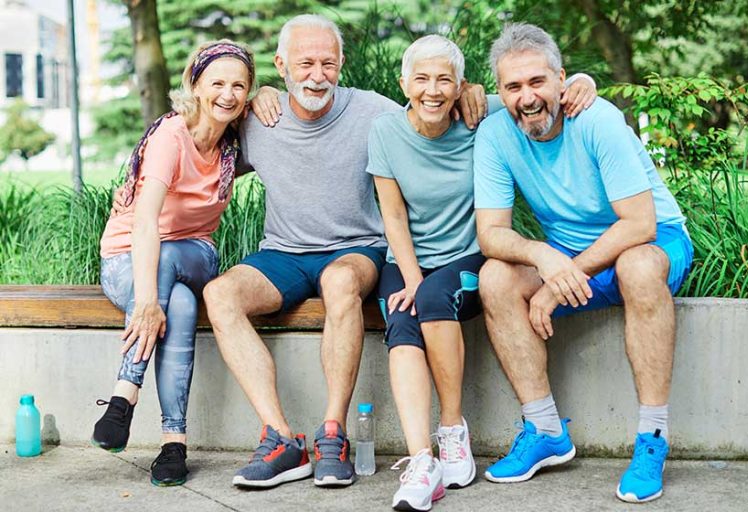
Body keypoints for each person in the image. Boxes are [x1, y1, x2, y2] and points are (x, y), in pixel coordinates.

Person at [202, 14, 488, 489]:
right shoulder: (258, 119)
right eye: (306, 63)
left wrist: (470, 87)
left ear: (341, 65)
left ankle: (332, 434)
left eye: (328, 63)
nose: (317, 75)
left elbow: (429, 100)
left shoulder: (373, 111)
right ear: (281, 65)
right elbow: (202, 134)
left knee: (339, 282)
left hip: (357, 250)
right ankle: (280, 439)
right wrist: (253, 98)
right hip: (284, 253)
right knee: (219, 294)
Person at [368, 35, 596, 511]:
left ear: (461, 85)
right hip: (408, 259)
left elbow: (537, 93)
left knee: (432, 298)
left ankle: (453, 431)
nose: (433, 90)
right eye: (422, 79)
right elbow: (393, 216)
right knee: (402, 320)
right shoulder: (385, 131)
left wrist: (581, 81)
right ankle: (421, 459)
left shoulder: (482, 113)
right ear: (403, 83)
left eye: (444, 79)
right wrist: (409, 276)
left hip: (469, 257)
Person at [473, 23, 693, 503]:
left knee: (636, 266)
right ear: (499, 92)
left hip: (653, 242)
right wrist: (543, 257)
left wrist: (557, 284)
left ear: (561, 80)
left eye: (537, 82)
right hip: (570, 256)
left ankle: (652, 438)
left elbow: (639, 224)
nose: (527, 97)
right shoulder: (494, 134)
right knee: (495, 277)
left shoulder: (597, 119)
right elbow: (491, 234)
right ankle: (545, 430)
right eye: (513, 86)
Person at [92, 40, 255, 487]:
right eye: (217, 82)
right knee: (179, 305)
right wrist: (148, 301)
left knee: (168, 258)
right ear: (195, 84)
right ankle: (174, 444)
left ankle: (124, 396)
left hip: (195, 252)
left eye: (239, 86)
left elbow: (279, 107)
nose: (228, 93)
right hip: (127, 257)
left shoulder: (235, 140)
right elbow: (145, 221)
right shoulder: (171, 134)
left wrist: (270, 95)